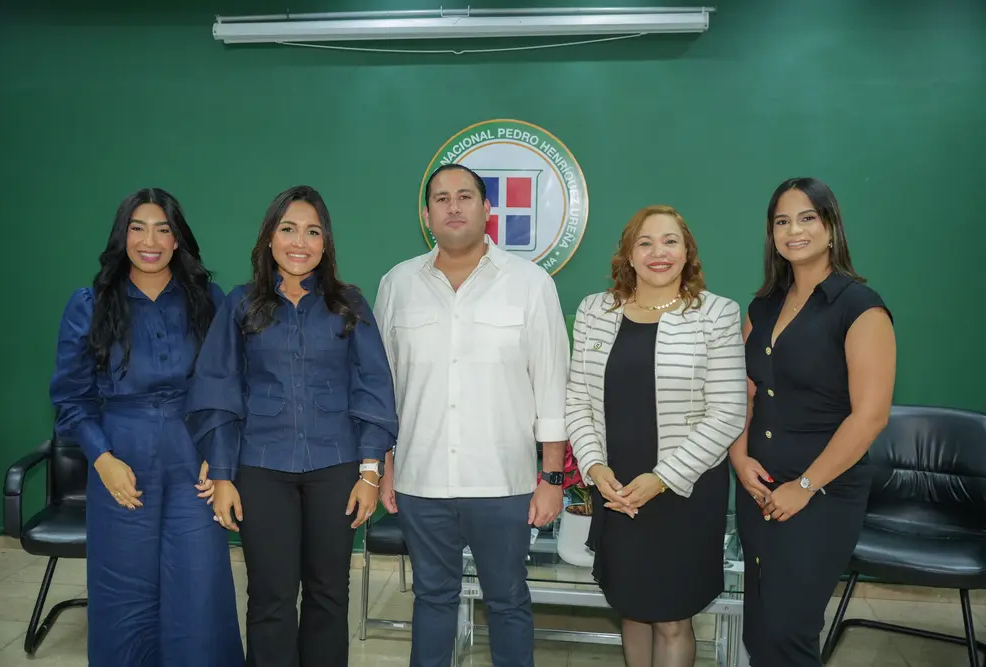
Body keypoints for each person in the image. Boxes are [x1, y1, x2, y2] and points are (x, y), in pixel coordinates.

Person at [185, 185, 398, 667]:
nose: (299, 241)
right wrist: (221, 473)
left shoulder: (349, 305)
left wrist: (369, 472)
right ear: (269, 238)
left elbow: (372, 389)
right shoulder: (241, 305)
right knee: (270, 597)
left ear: (325, 244)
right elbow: (218, 392)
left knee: (328, 595)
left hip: (336, 468)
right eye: (288, 229)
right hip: (261, 469)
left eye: (312, 231)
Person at [374, 163, 570, 667]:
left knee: (506, 600)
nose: (453, 206)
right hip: (421, 480)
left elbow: (551, 386)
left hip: (504, 483)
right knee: (432, 599)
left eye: (465, 196)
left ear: (488, 210)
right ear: (426, 215)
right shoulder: (397, 284)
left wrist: (551, 477)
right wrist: (383, 464)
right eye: (441, 198)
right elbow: (381, 388)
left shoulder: (530, 284)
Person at [49, 188, 243, 667]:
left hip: (191, 459)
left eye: (163, 228)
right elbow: (71, 397)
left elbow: (226, 387)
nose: (150, 240)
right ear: (123, 236)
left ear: (178, 239)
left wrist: (218, 458)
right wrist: (102, 459)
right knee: (124, 598)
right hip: (121, 460)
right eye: (138, 227)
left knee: (199, 590)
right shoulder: (89, 303)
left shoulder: (208, 300)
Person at [565, 205, 747, 667]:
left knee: (671, 618)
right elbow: (578, 402)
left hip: (683, 491)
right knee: (631, 608)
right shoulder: (594, 311)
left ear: (688, 253)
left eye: (670, 241)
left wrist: (661, 478)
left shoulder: (716, 314)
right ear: (628, 254)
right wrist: (595, 467)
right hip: (616, 488)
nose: (657, 252)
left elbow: (728, 412)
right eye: (644, 242)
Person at [731, 177, 896, 667]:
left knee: (789, 633)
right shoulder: (762, 306)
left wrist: (804, 485)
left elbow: (870, 417)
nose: (793, 230)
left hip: (819, 494)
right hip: (757, 487)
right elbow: (746, 390)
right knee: (760, 630)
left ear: (830, 228)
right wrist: (739, 458)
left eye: (807, 218)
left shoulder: (860, 308)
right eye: (782, 221)